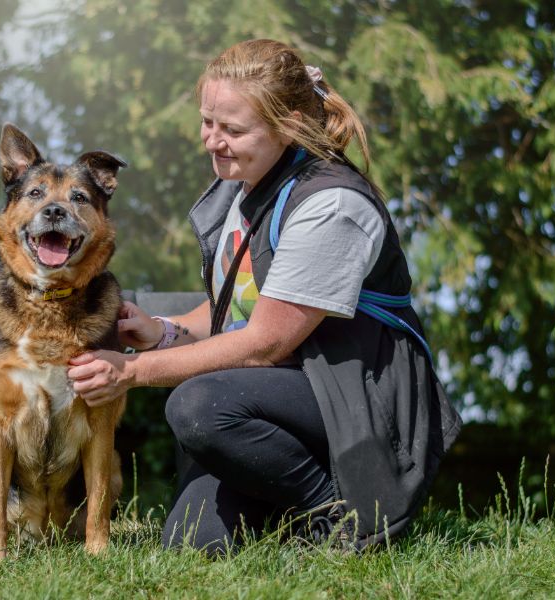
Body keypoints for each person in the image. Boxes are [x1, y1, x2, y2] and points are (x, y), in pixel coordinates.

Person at [67, 39, 461, 554]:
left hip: (360, 400)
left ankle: (339, 516)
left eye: (232, 130)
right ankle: (290, 515)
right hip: (287, 393)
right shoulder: (248, 184)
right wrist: (163, 331)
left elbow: (265, 343)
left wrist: (131, 371)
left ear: (288, 126)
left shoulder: (330, 203)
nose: (213, 141)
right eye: (207, 121)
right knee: (193, 543)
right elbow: (240, 307)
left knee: (199, 403)